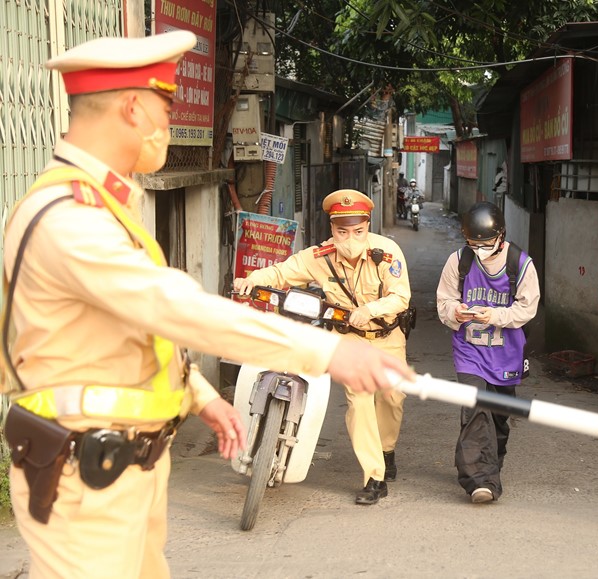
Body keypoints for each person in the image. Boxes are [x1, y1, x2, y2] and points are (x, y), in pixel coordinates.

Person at [1, 31, 411, 579]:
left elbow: (130, 328)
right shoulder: (68, 217)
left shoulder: (104, 205)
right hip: (84, 475)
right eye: (166, 108)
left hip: (122, 467)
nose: (168, 127)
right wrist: (325, 352)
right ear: (131, 106)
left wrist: (196, 395)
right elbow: (171, 306)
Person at [234, 188, 411, 505]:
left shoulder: (387, 253)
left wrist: (368, 311)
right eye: (343, 232)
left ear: (367, 227)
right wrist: (251, 278)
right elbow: (281, 272)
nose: (350, 239)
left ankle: (386, 449)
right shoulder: (319, 257)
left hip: (386, 337)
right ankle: (374, 476)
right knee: (360, 403)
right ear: (333, 229)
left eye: (358, 231)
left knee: (392, 400)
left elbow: (400, 298)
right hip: (348, 340)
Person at [435, 201, 540, 503]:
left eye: (486, 243)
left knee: (498, 417)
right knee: (475, 408)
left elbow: (527, 309)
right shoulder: (458, 261)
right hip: (469, 351)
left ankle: (491, 468)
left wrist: (493, 316)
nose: (479, 249)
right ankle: (479, 480)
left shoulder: (520, 263)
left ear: (501, 237)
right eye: (473, 243)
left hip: (506, 353)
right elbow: (444, 302)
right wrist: (456, 311)